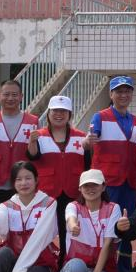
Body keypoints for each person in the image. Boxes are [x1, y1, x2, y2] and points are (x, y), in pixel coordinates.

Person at [87, 75, 136, 272]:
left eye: (127, 91)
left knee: (126, 227)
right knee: (104, 228)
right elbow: (91, 138)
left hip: (129, 182)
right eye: (119, 91)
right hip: (108, 183)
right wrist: (89, 140)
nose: (123, 95)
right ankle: (99, 271)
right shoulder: (100, 117)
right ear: (111, 94)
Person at [27, 94, 89, 261]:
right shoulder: (39, 136)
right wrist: (32, 142)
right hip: (46, 193)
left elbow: (87, 165)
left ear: (70, 114)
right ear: (48, 113)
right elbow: (32, 157)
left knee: (67, 233)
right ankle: (42, 265)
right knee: (41, 233)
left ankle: (65, 265)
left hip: (72, 193)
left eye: (63, 111)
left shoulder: (81, 137)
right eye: (55, 111)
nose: (59, 114)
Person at [57, 169, 122, 272]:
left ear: (103, 187)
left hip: (103, 268)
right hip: (77, 266)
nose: (90, 189)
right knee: (75, 266)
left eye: (95, 185)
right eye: (86, 186)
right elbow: (70, 217)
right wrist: (73, 226)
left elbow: (108, 244)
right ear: (80, 188)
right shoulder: (73, 206)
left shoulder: (113, 208)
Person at [0, 79, 39, 209]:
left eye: (14, 95)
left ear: (21, 97)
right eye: (6, 94)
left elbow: (37, 150)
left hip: (22, 184)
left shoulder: (33, 122)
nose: (10, 98)